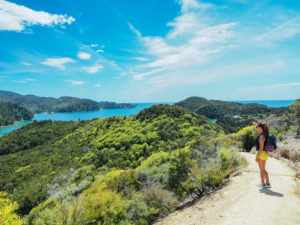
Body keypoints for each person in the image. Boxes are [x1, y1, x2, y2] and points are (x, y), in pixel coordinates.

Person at [254, 122, 271, 188]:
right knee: (262, 169)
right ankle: (267, 183)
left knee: (262, 169)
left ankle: (263, 183)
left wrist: (257, 157)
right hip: (262, 153)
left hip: (261, 153)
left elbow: (261, 148)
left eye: (257, 127)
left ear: (260, 128)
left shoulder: (262, 136)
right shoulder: (263, 134)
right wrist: (256, 125)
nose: (256, 128)